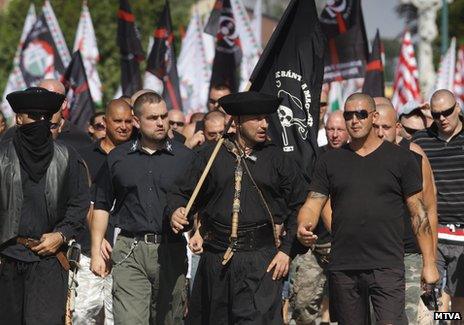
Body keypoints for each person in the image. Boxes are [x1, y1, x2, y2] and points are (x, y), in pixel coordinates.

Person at [297, 93, 438, 325]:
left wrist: (429, 263)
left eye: (361, 114)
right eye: (349, 115)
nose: (355, 120)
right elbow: (313, 201)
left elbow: (418, 214)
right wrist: (305, 224)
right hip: (344, 267)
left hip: (387, 266)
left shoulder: (402, 159)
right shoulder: (329, 161)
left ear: (373, 117)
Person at [168, 91, 308, 324]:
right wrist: (176, 211)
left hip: (261, 261)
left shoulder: (278, 159)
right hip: (216, 259)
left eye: (266, 118)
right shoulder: (210, 155)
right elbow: (180, 193)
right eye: (257, 118)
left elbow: (300, 205)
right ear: (238, 121)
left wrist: (286, 250)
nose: (264, 124)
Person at [90, 92, 195, 325]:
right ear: (137, 121)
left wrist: (193, 223)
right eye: (153, 117)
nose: (161, 122)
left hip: (171, 248)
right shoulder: (118, 157)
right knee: (129, 320)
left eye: (164, 116)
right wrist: (97, 249)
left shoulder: (186, 157)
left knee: (169, 319)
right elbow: (102, 204)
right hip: (130, 250)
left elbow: (200, 202)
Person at [0, 87, 90, 324]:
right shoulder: (1, 156)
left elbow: (79, 204)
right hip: (6, 261)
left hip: (49, 262)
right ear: (19, 118)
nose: (40, 122)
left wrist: (61, 235)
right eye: (33, 116)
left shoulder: (68, 156)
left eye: (45, 117)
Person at [373, 100, 438, 324]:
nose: (380, 133)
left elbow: (429, 210)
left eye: (386, 127)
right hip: (372, 254)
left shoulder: (414, 155)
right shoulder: (358, 154)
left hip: (409, 253)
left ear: (397, 127)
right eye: (376, 127)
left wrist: (430, 262)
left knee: (406, 318)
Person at [73, 98, 134, 325]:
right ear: (105, 122)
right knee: (82, 314)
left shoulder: (139, 156)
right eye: (117, 121)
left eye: (128, 121)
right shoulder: (82, 156)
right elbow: (84, 202)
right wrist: (99, 243)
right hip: (90, 250)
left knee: (117, 318)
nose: (123, 126)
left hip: (128, 252)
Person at [290, 111, 349, 325]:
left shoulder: (357, 158)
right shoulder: (315, 158)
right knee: (303, 306)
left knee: (347, 307)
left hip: (347, 246)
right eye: (330, 129)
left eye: (339, 129)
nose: (334, 134)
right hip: (314, 246)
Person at [412, 89, 464, 319]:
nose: (442, 118)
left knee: (459, 304)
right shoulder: (421, 140)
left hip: (462, 236)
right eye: (436, 114)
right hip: (432, 233)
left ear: (458, 109)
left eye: (447, 112)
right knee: (430, 298)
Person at [1, 79, 93, 150]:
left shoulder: (81, 139)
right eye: (39, 97)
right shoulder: (13, 134)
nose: (45, 102)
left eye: (52, 98)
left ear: (64, 103)